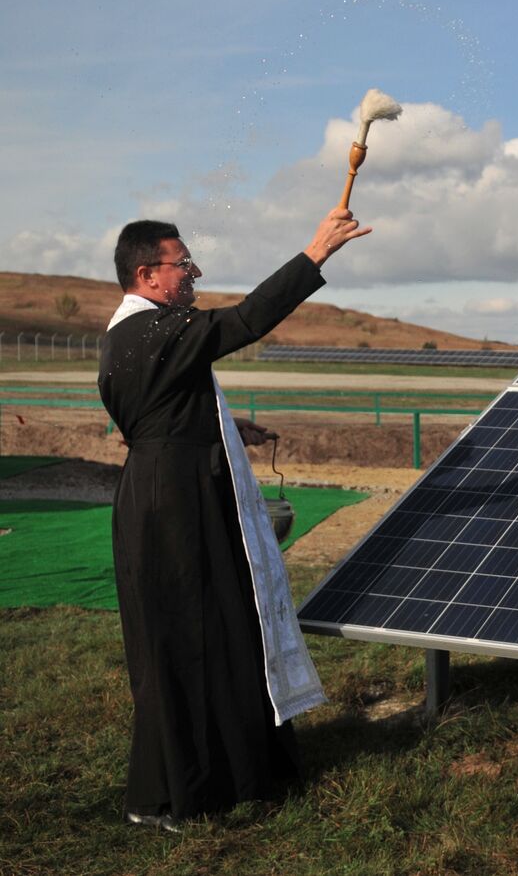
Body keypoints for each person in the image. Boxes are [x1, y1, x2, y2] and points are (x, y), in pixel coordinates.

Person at [98, 208, 370, 831]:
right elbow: (245, 320)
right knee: (191, 638)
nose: (192, 272)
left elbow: (153, 414)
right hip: (177, 507)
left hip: (163, 489)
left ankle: (166, 786)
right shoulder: (152, 330)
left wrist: (225, 427)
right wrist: (315, 253)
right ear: (147, 274)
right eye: (181, 263)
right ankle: (193, 791)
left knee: (190, 637)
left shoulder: (128, 335)